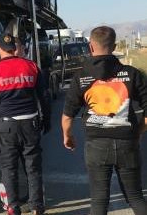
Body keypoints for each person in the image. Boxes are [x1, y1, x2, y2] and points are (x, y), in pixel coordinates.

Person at [62, 26, 147, 215]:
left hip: (97, 146)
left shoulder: (81, 76)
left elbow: (67, 116)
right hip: (128, 143)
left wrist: (67, 136)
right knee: (135, 197)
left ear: (90, 47)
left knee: (99, 200)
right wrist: (138, 132)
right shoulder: (132, 74)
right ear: (114, 46)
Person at [0, 32, 51, 215]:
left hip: (6, 126)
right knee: (33, 167)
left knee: (9, 168)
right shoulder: (32, 66)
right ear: (14, 48)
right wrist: (47, 119)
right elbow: (44, 96)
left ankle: (13, 207)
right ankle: (37, 208)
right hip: (30, 123)